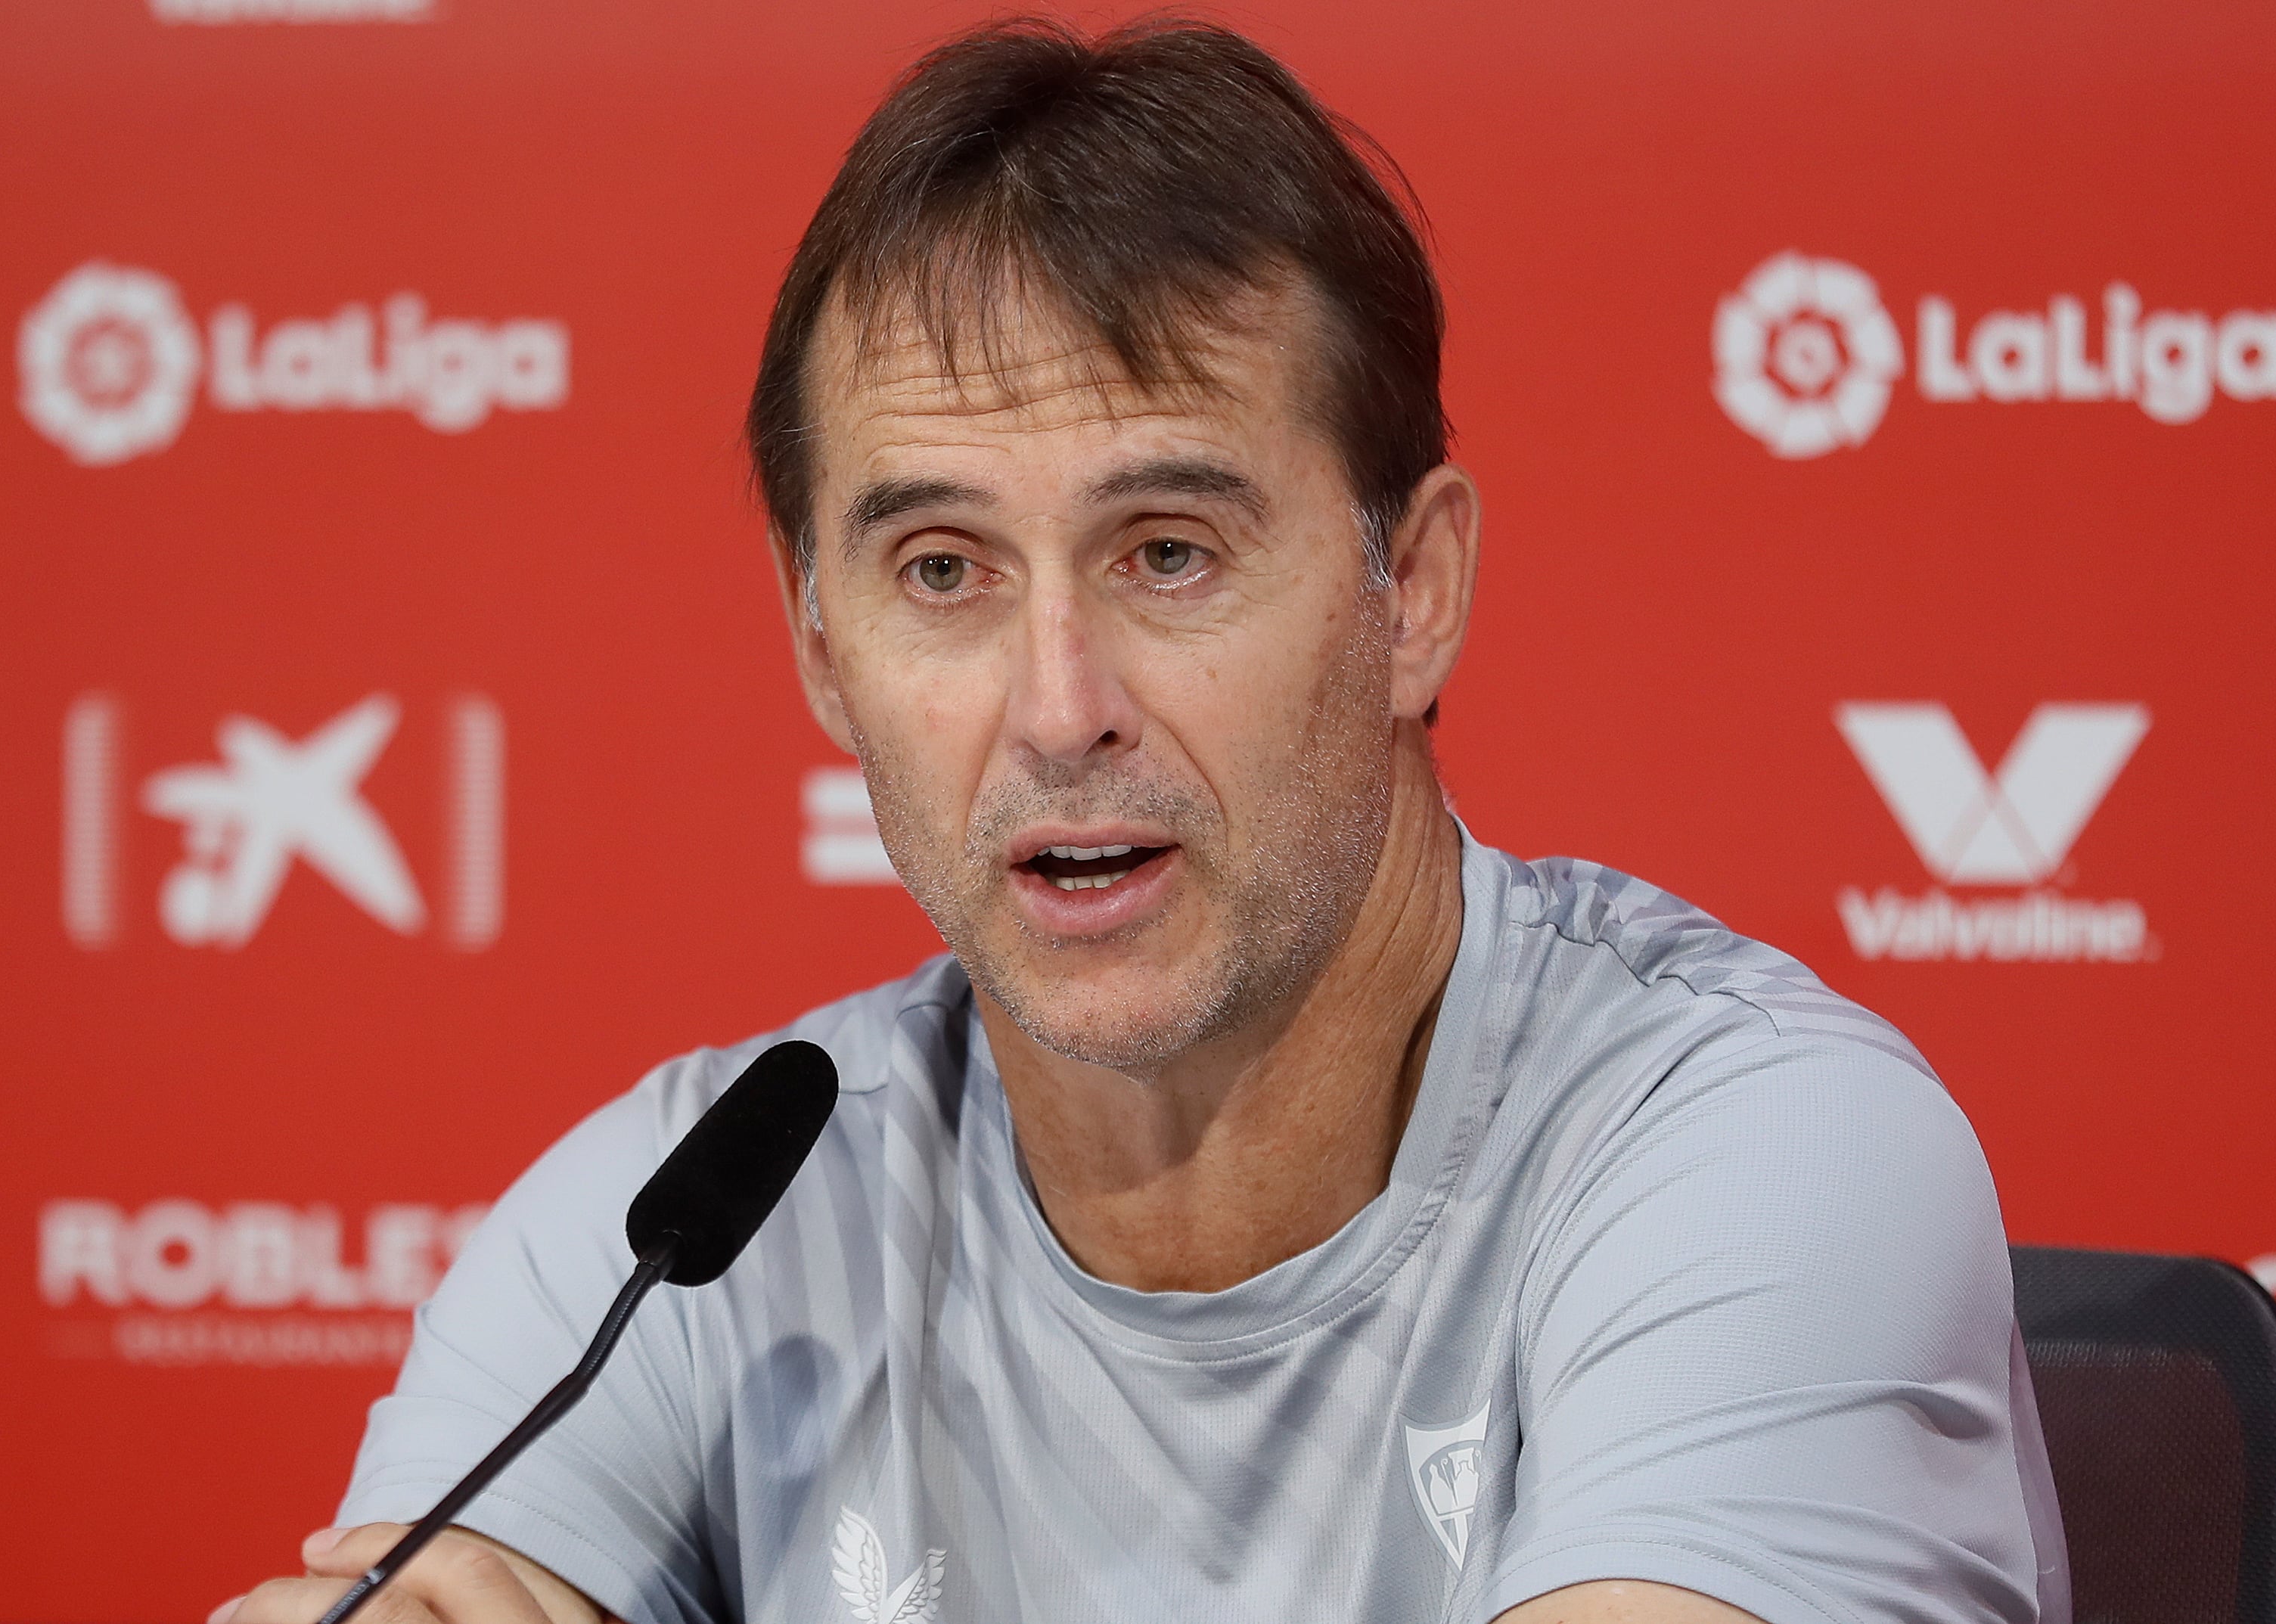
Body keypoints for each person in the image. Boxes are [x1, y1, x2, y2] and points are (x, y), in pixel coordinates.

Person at [222, 19, 2066, 1624]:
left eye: (1166, 552)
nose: (1054, 704)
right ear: (819, 651)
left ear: (1408, 591)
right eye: (939, 570)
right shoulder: (690, 1225)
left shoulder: (1752, 1152)